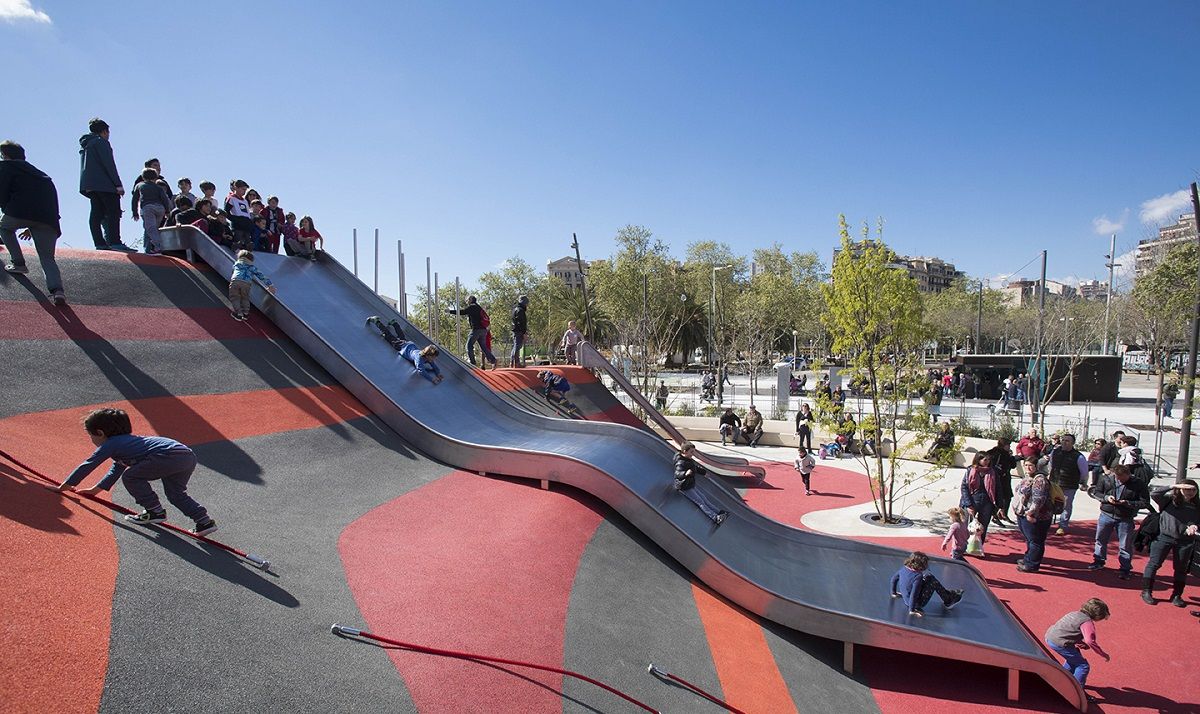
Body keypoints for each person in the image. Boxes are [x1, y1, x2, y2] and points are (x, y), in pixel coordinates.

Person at [55, 407, 217, 536]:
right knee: (176, 494)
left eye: (91, 436)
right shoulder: (128, 444)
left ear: (100, 433)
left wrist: (64, 486)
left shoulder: (111, 444)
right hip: (185, 455)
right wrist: (94, 491)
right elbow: (115, 470)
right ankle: (204, 522)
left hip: (167, 454)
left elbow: (89, 464)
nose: (92, 440)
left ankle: (154, 510)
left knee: (131, 477)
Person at [0, 141, 66, 305]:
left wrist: (7, 212)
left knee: (3, 227)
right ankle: (58, 291)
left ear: (5, 155)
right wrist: (35, 224)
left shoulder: (6, 167)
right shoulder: (41, 174)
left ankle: (18, 263)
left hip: (19, 212)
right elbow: (50, 201)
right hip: (48, 219)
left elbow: (2, 193)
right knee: (47, 258)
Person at [1141, 480, 1200, 606]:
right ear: (1180, 489)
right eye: (1187, 489)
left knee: (1181, 569)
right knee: (1154, 564)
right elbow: (1154, 493)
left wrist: (1194, 526)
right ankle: (1146, 591)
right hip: (1164, 537)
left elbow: (1196, 521)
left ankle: (1177, 595)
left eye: (1193, 490)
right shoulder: (1169, 499)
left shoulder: (1197, 505)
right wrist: (1173, 486)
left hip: (1185, 541)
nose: (1191, 492)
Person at [1087, 464, 1150, 580]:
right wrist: (1107, 498)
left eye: (1122, 477)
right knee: (1100, 539)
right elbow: (1096, 492)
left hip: (1125, 517)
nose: (1119, 479)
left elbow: (1145, 502)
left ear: (1128, 474)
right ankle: (1098, 561)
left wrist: (1127, 503)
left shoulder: (1138, 483)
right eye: (1117, 477)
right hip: (1106, 514)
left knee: (1125, 545)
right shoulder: (1106, 479)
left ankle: (1125, 568)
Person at [78, 118, 132, 252]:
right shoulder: (101, 143)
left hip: (90, 185)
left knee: (96, 213)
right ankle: (115, 242)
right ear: (104, 131)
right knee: (113, 212)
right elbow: (109, 164)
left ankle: (99, 242)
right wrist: (118, 184)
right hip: (105, 185)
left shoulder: (86, 145)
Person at [1044, 599, 1110, 690]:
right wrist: (1103, 654)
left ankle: (1062, 678)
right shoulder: (1087, 622)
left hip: (1050, 637)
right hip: (1059, 642)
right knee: (1083, 666)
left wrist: (1079, 642)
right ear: (1098, 616)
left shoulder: (1074, 613)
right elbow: (1090, 641)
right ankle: (1076, 690)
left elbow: (1068, 629)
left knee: (1073, 658)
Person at [366, 316, 445, 384]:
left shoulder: (428, 358)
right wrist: (432, 379)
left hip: (409, 345)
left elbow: (435, 367)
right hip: (402, 347)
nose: (434, 359)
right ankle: (377, 321)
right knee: (388, 335)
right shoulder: (419, 358)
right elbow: (421, 370)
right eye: (434, 357)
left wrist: (438, 373)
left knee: (401, 335)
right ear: (428, 355)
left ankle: (394, 323)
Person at [889, 551, 963, 617]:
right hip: (916, 603)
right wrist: (912, 610)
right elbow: (914, 594)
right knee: (933, 582)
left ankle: (947, 594)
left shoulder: (903, 569)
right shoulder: (917, 576)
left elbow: (893, 579)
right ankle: (948, 600)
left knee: (928, 576)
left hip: (906, 600)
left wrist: (894, 593)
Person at [1014, 458, 1055, 572]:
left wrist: (1031, 513)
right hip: (1023, 513)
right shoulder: (1028, 478)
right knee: (1030, 539)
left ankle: (1032, 564)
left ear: (1037, 466)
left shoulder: (1040, 480)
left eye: (1031, 465)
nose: (1028, 467)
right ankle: (1028, 558)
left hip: (1037, 516)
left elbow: (1038, 500)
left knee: (1035, 540)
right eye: (1026, 465)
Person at [673, 442, 728, 525]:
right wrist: (685, 473)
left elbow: (695, 468)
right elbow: (677, 474)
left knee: (704, 499)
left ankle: (719, 512)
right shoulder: (680, 462)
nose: (693, 454)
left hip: (690, 484)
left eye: (693, 452)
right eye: (691, 452)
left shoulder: (688, 459)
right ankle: (715, 517)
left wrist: (703, 472)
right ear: (685, 451)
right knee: (700, 502)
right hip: (684, 486)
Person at [1048, 433, 1088, 535]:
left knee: (1066, 506)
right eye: (1063, 440)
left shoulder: (1079, 457)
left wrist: (1083, 483)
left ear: (1073, 443)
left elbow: (1084, 473)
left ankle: (1062, 526)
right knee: (1049, 504)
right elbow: (1051, 466)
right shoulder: (1055, 452)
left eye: (1067, 441)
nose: (1064, 442)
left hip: (1069, 485)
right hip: (1054, 483)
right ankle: (1046, 522)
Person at [960, 452, 997, 551]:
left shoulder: (992, 472)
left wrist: (999, 506)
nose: (987, 462)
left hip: (986, 502)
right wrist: (968, 505)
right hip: (972, 500)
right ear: (978, 460)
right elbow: (964, 487)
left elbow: (998, 489)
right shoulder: (970, 470)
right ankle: (963, 547)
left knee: (982, 527)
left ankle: (977, 548)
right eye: (985, 460)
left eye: (988, 460)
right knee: (966, 526)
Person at [447, 295, 497, 368]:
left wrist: (450, 311)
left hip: (476, 330)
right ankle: (493, 360)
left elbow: (463, 312)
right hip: (483, 330)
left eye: (467, 300)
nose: (466, 302)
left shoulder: (472, 307)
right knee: (484, 347)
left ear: (471, 299)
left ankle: (472, 363)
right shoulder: (479, 307)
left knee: (469, 346)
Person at [131, 167, 172, 254]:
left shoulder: (139, 185)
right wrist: (167, 211)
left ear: (143, 177)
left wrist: (135, 212)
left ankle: (159, 246)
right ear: (155, 177)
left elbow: (135, 199)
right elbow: (164, 199)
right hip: (160, 209)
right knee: (154, 229)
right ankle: (152, 248)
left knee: (150, 228)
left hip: (148, 207)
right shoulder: (158, 187)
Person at [228, 250, 276, 321]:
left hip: (236, 281)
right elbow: (261, 275)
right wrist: (270, 285)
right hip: (247, 283)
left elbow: (233, 272)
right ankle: (245, 313)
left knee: (235, 297)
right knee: (245, 297)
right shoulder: (252, 267)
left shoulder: (236, 264)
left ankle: (239, 314)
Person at [986, 438, 1017, 525]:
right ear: (1004, 445)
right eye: (1008, 445)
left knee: (1007, 496)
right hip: (997, 478)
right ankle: (995, 516)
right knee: (998, 497)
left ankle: (1003, 514)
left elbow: (1013, 465)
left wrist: (1011, 456)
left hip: (1006, 478)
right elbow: (991, 464)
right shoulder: (995, 452)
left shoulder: (1007, 454)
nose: (1009, 447)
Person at [510, 295, 529, 367]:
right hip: (518, 331)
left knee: (516, 346)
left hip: (515, 330)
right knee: (517, 346)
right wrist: (524, 332)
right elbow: (521, 322)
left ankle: (512, 362)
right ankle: (516, 363)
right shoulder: (520, 310)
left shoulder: (515, 309)